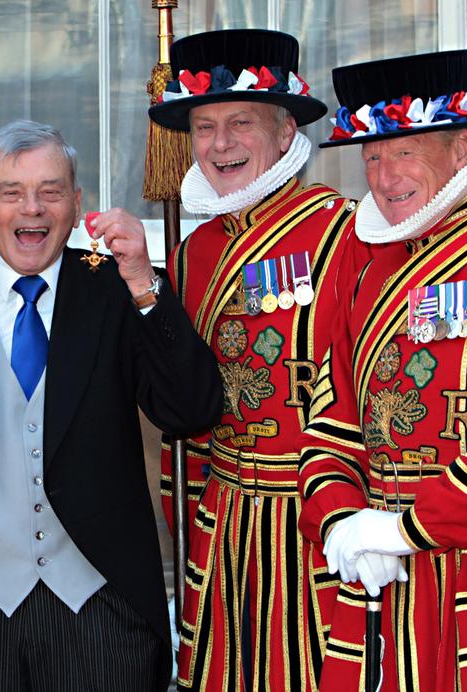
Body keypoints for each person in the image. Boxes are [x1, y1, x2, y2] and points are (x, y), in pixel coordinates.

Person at [0, 119, 222, 691]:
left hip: (102, 607)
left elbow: (191, 410)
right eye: (12, 193)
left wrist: (147, 288)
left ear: (76, 204)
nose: (32, 209)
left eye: (51, 191)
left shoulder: (118, 291)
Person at [301, 49, 467, 691]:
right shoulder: (360, 266)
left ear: (461, 147)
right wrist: (341, 517)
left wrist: (403, 529)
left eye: (403, 150)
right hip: (377, 580)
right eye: (371, 155)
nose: (384, 175)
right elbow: (328, 412)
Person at [128, 29, 364, 691]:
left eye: (240, 124)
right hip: (226, 520)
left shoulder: (348, 233)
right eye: (205, 126)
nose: (220, 144)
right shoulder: (192, 252)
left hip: (319, 516)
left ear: (286, 133)